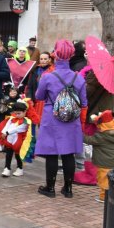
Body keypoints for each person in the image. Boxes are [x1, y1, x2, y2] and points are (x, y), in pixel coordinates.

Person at [35, 39, 88, 198]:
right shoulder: (78, 77)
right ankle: (68, 189)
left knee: (51, 153)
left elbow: (39, 96)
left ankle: (50, 188)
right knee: (68, 153)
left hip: (52, 117)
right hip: (71, 119)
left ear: (55, 55)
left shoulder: (48, 77)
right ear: (71, 55)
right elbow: (84, 102)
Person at [84, 110, 114, 203]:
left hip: (103, 163)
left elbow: (89, 140)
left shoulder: (102, 136)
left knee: (103, 180)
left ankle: (103, 197)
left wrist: (80, 134)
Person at [0, 101, 34, 177]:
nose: (17, 115)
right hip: (9, 139)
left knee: (18, 155)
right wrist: (3, 132)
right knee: (8, 154)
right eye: (16, 113)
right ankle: (7, 168)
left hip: (18, 140)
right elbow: (7, 125)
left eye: (19, 113)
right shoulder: (12, 118)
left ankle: (20, 168)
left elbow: (19, 129)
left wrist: (7, 132)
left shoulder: (26, 121)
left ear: (25, 112)